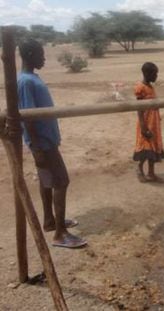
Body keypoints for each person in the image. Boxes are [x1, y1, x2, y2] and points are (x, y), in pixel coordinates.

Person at [17, 39, 87, 248]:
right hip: (43, 143)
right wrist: (37, 147)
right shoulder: (26, 82)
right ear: (30, 55)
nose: (44, 57)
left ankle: (50, 221)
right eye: (40, 54)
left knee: (46, 180)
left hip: (45, 141)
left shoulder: (31, 78)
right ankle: (60, 234)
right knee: (61, 181)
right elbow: (27, 117)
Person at [133, 62, 164, 183]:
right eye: (155, 73)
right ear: (147, 74)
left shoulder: (151, 87)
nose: (156, 76)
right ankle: (139, 170)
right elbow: (139, 109)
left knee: (153, 148)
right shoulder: (140, 88)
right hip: (146, 123)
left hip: (154, 123)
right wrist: (143, 127)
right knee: (146, 148)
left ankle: (151, 173)